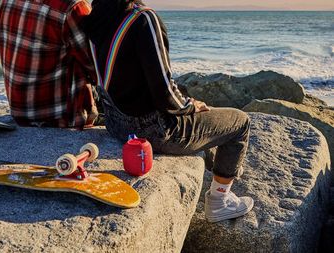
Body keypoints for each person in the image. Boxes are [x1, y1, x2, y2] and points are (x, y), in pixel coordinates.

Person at [82, 0, 254, 223]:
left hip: (116, 124)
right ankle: (220, 202)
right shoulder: (143, 19)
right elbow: (165, 94)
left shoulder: (97, 17)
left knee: (206, 120)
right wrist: (190, 105)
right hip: (155, 131)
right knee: (240, 122)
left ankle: (213, 172)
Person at [0, 0, 98, 129]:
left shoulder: (5, 2)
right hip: (61, 118)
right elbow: (98, 70)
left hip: (20, 112)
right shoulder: (73, 8)